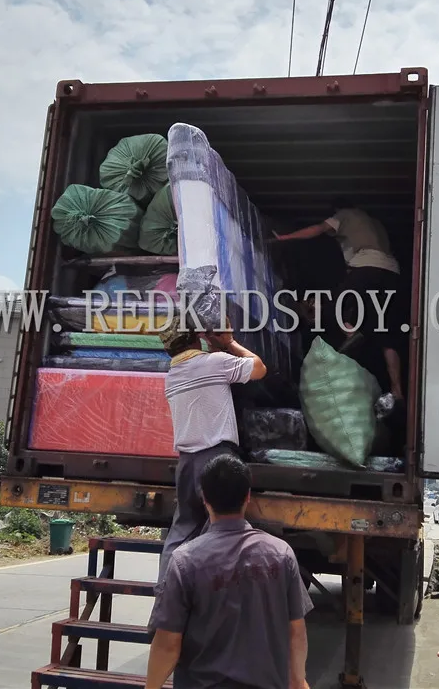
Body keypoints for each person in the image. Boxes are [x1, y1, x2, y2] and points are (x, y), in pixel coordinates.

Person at [146, 453, 313, 689]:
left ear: (204, 498)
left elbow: (168, 643)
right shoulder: (281, 554)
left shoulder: (185, 561)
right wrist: (297, 681)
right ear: (248, 497)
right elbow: (296, 630)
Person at [155, 316, 267, 593]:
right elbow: (259, 369)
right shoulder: (213, 364)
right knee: (221, 530)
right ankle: (210, 597)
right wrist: (229, 342)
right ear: (196, 339)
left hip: (187, 463)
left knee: (181, 530)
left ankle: (166, 596)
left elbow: (210, 371)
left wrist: (216, 349)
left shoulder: (173, 376)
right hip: (216, 460)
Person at [273, 206, 406, 399]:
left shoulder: (345, 215)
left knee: (336, 305)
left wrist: (285, 238)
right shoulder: (375, 223)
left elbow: (317, 229)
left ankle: (351, 332)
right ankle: (397, 390)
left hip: (368, 266)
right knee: (387, 335)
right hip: (392, 273)